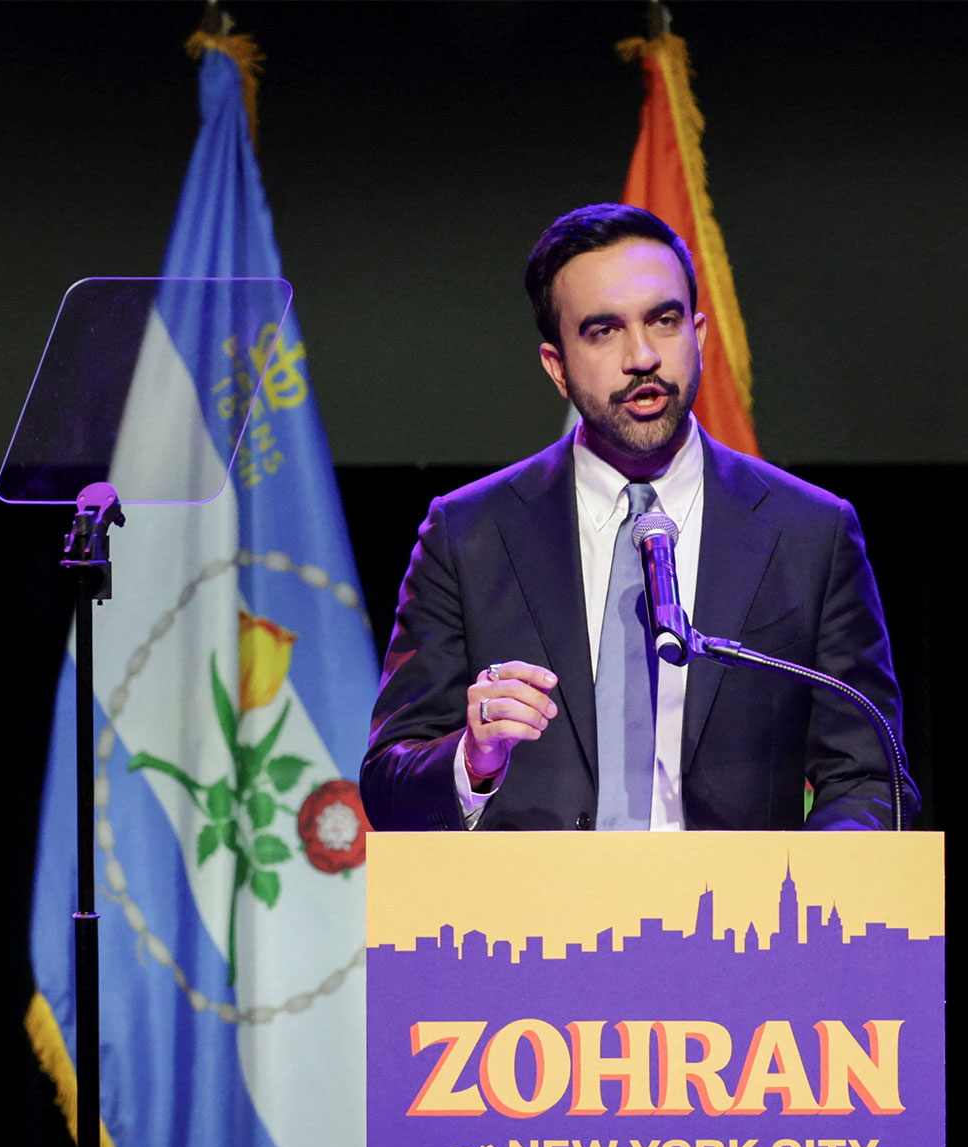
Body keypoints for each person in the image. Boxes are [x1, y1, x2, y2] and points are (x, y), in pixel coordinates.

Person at [360, 203, 917, 832]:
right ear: (557, 367)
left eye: (664, 320)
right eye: (603, 331)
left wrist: (804, 897)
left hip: (739, 924)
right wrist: (474, 759)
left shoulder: (810, 532)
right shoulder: (468, 536)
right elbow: (388, 787)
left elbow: (870, 777)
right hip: (532, 926)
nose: (642, 355)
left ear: (698, 335)